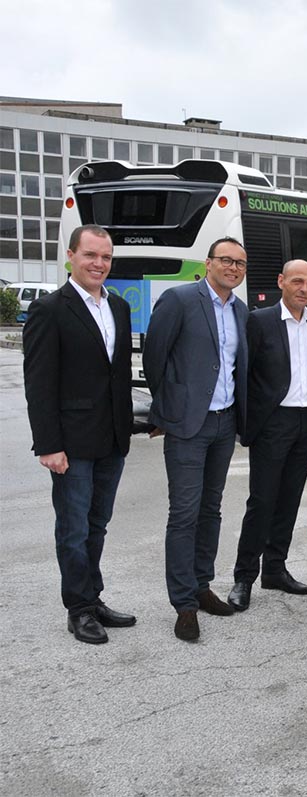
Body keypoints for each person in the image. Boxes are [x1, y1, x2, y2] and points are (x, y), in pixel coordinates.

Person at [23, 225, 136, 645]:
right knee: (72, 528)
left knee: (97, 524)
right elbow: (38, 383)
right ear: (71, 256)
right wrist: (48, 444)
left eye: (106, 257)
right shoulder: (51, 309)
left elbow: (117, 376)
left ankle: (93, 597)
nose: (99, 264)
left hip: (111, 439)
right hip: (70, 443)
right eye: (91, 255)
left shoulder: (119, 308)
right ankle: (79, 609)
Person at [143, 237, 250, 642]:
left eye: (240, 263)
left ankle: (203, 585)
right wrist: (168, 409)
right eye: (226, 260)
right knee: (184, 513)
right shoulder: (180, 299)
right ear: (208, 263)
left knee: (212, 509)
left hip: (224, 424)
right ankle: (184, 603)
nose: (233, 268)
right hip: (188, 425)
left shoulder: (240, 311)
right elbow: (155, 358)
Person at [227, 260, 307, 611]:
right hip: (273, 422)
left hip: (304, 423)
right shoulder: (261, 320)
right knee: (262, 501)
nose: (304, 289)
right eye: (297, 281)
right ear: (281, 281)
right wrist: (249, 422)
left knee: (289, 501)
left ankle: (276, 569)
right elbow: (245, 373)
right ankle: (244, 576)